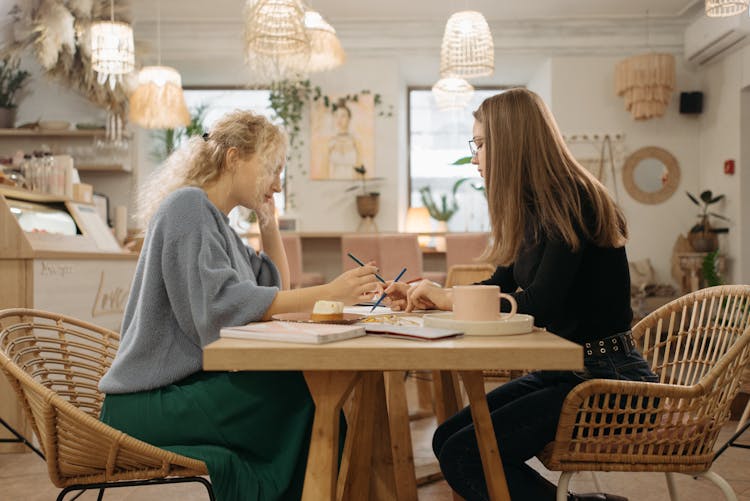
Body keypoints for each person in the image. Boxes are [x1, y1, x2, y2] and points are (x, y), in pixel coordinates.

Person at [384, 88, 655, 501]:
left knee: (463, 454)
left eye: (479, 144)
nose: (474, 157)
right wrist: (433, 293)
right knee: (446, 440)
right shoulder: (536, 208)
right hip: (568, 372)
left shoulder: (572, 200)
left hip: (608, 381)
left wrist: (446, 298)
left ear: (510, 142)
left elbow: (538, 305)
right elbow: (501, 285)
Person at [98, 110, 380, 501]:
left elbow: (271, 289)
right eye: (271, 169)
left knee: (299, 395)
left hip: (176, 391)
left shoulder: (216, 223)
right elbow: (221, 311)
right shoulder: (187, 208)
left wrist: (268, 224)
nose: (277, 185)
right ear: (233, 158)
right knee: (298, 398)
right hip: (147, 401)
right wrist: (329, 291)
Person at [322, 102, 362, 179]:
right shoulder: (330, 142)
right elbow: (324, 171)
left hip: (353, 184)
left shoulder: (355, 141)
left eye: (343, 116)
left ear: (349, 118)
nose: (339, 119)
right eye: (336, 116)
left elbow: (360, 168)